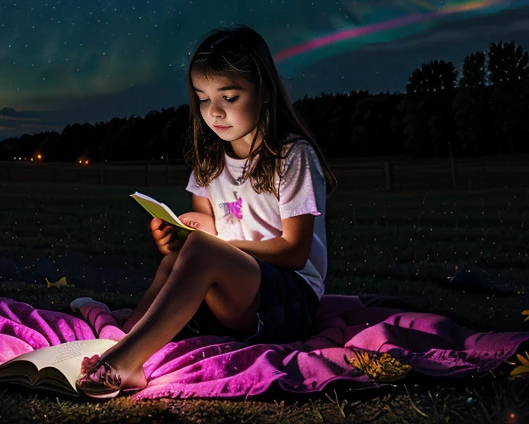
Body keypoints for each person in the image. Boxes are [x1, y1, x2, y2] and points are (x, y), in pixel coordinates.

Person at [76, 25, 338, 398]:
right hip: (237, 295)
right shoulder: (210, 163)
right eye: (202, 98)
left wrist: (210, 244)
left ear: (264, 93)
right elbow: (207, 227)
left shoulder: (293, 156)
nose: (213, 112)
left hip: (288, 300)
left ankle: (127, 362)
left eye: (229, 97)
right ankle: (128, 337)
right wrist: (177, 233)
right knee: (181, 256)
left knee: (200, 249)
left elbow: (295, 253)